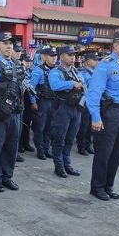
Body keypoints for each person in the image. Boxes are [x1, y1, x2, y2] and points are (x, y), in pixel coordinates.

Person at [86, 31, 119, 201]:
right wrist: (96, 117)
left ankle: (108, 185)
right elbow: (93, 94)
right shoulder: (105, 65)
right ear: (115, 46)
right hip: (108, 112)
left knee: (117, 152)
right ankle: (97, 187)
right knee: (104, 151)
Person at [0, 32, 24, 191]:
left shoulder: (16, 64)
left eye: (11, 43)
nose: (9, 46)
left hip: (15, 113)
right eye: (5, 43)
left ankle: (8, 177)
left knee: (11, 147)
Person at [47, 46, 85, 178]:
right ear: (62, 56)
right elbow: (55, 85)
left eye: (73, 55)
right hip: (62, 108)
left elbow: (84, 85)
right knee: (60, 138)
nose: (72, 57)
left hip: (76, 108)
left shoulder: (76, 71)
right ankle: (59, 166)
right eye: (69, 55)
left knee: (70, 138)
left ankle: (67, 164)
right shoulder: (56, 71)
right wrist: (71, 84)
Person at [30, 46, 58, 160]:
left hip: (54, 102)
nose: (54, 58)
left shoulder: (57, 70)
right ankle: (40, 149)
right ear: (45, 57)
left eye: (55, 56)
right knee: (40, 127)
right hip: (42, 102)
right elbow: (31, 87)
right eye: (51, 56)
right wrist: (33, 102)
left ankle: (46, 149)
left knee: (50, 127)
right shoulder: (38, 70)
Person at [77, 52, 99, 155]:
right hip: (85, 101)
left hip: (94, 101)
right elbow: (83, 86)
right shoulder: (82, 72)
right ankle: (81, 146)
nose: (97, 61)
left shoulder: (97, 72)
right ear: (88, 61)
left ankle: (88, 145)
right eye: (94, 60)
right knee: (84, 125)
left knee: (91, 125)